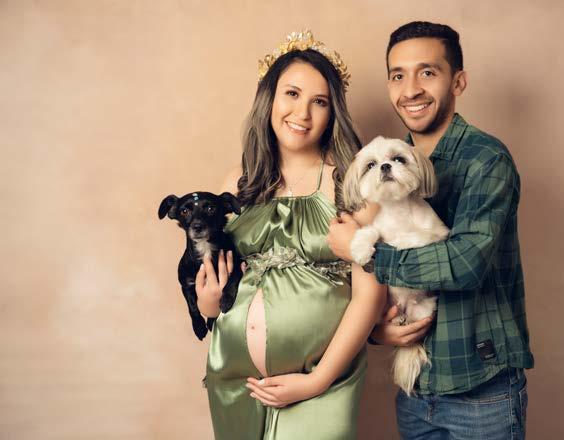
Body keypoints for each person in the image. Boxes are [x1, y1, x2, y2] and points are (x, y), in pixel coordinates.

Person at [327, 21, 534, 439]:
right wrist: (377, 330)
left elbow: (465, 263)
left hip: (481, 389)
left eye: (427, 72)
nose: (411, 89)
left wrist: (366, 254)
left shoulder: (486, 159)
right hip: (417, 391)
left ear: (458, 81)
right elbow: (372, 288)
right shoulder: (386, 165)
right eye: (397, 76)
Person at [195, 30, 386, 440]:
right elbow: (216, 290)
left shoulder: (351, 184)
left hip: (321, 384)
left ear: (333, 112)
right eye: (292, 94)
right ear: (270, 99)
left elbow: (370, 295)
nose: (303, 112)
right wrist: (208, 303)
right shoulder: (238, 182)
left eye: (320, 101)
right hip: (236, 381)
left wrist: (317, 381)